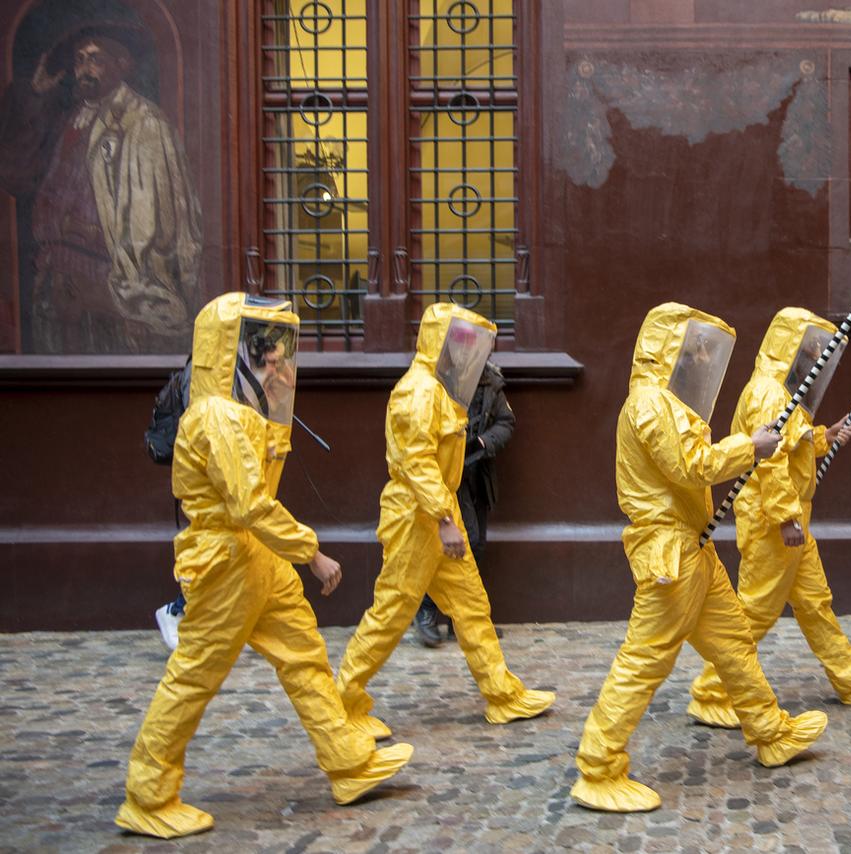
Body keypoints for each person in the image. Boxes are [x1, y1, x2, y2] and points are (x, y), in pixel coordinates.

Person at [116, 292, 412, 840]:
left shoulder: (238, 413)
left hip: (255, 555)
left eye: (278, 354)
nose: (275, 364)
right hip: (226, 561)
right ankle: (148, 794)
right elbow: (250, 503)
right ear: (228, 355)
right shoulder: (216, 418)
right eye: (262, 354)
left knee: (304, 654)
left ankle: (348, 762)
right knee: (195, 676)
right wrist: (313, 554)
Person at [571, 302, 830, 814]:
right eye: (696, 348)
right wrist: (750, 447)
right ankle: (598, 768)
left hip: (694, 546)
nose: (703, 358)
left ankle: (769, 730)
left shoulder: (664, 403)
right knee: (645, 658)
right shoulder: (648, 405)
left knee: (733, 643)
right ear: (668, 349)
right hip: (671, 553)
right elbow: (693, 466)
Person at [335, 303, 555, 738]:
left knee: (471, 604)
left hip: (438, 512)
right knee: (392, 611)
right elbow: (417, 463)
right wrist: (443, 519)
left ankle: (501, 694)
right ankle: (341, 703)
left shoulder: (438, 388)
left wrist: (445, 515)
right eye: (462, 344)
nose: (469, 355)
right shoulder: (418, 392)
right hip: (416, 516)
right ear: (442, 343)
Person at [685, 307, 851, 730]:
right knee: (755, 610)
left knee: (815, 601)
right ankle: (713, 690)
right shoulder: (768, 393)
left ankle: (850, 676)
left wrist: (825, 436)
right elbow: (770, 463)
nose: (816, 354)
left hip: (792, 517)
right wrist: (786, 518)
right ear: (790, 344)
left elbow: (794, 443)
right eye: (811, 346)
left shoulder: (783, 393)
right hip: (773, 524)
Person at [0, 23, 202, 353]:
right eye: (80, 60)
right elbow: (15, 174)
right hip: (54, 278)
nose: (85, 69)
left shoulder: (143, 123)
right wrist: (36, 95)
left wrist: (86, 234)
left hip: (104, 286)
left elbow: (158, 223)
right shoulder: (70, 117)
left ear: (121, 65)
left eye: (95, 59)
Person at [413, 360, 515, 647]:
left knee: (476, 544)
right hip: (444, 477)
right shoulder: (433, 384)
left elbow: (506, 421)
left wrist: (483, 442)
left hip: (476, 474)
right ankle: (426, 613)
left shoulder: (491, 382)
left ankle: (467, 619)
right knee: (441, 546)